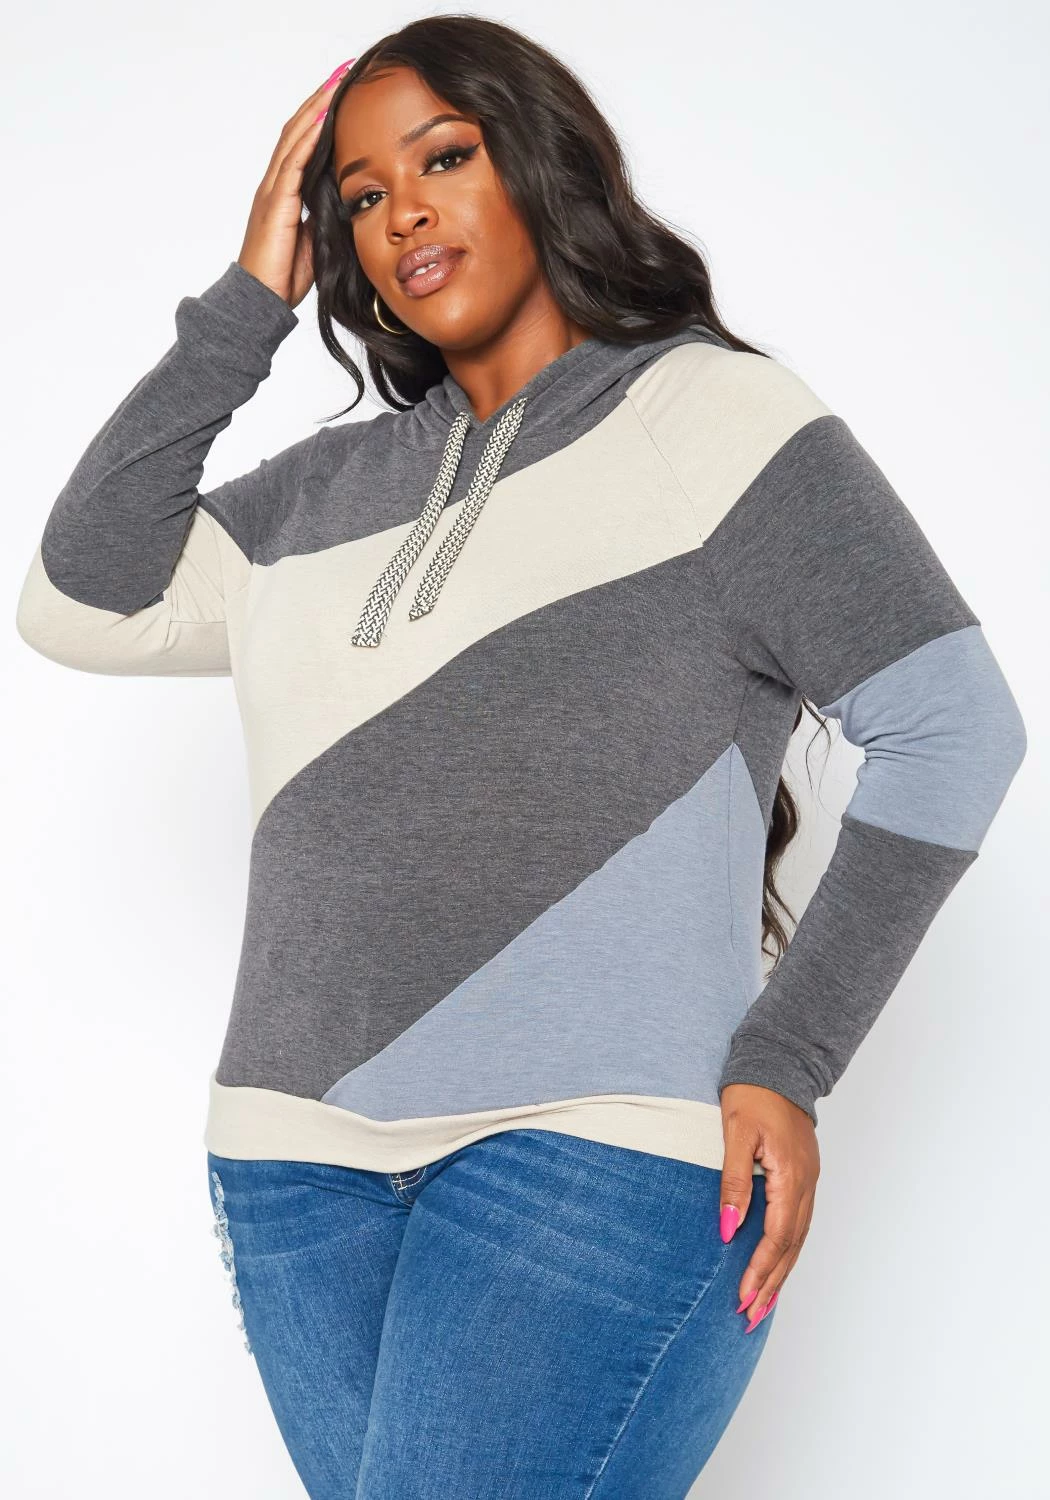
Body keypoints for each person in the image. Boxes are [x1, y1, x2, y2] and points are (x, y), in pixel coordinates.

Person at [14, 16, 1027, 1500]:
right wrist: (245, 302)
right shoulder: (320, 496)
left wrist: (789, 1058)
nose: (403, 213)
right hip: (293, 1167)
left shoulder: (708, 418)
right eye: (360, 194)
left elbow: (952, 725)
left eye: (444, 158)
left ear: (542, 164)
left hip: (595, 1154)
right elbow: (75, 596)